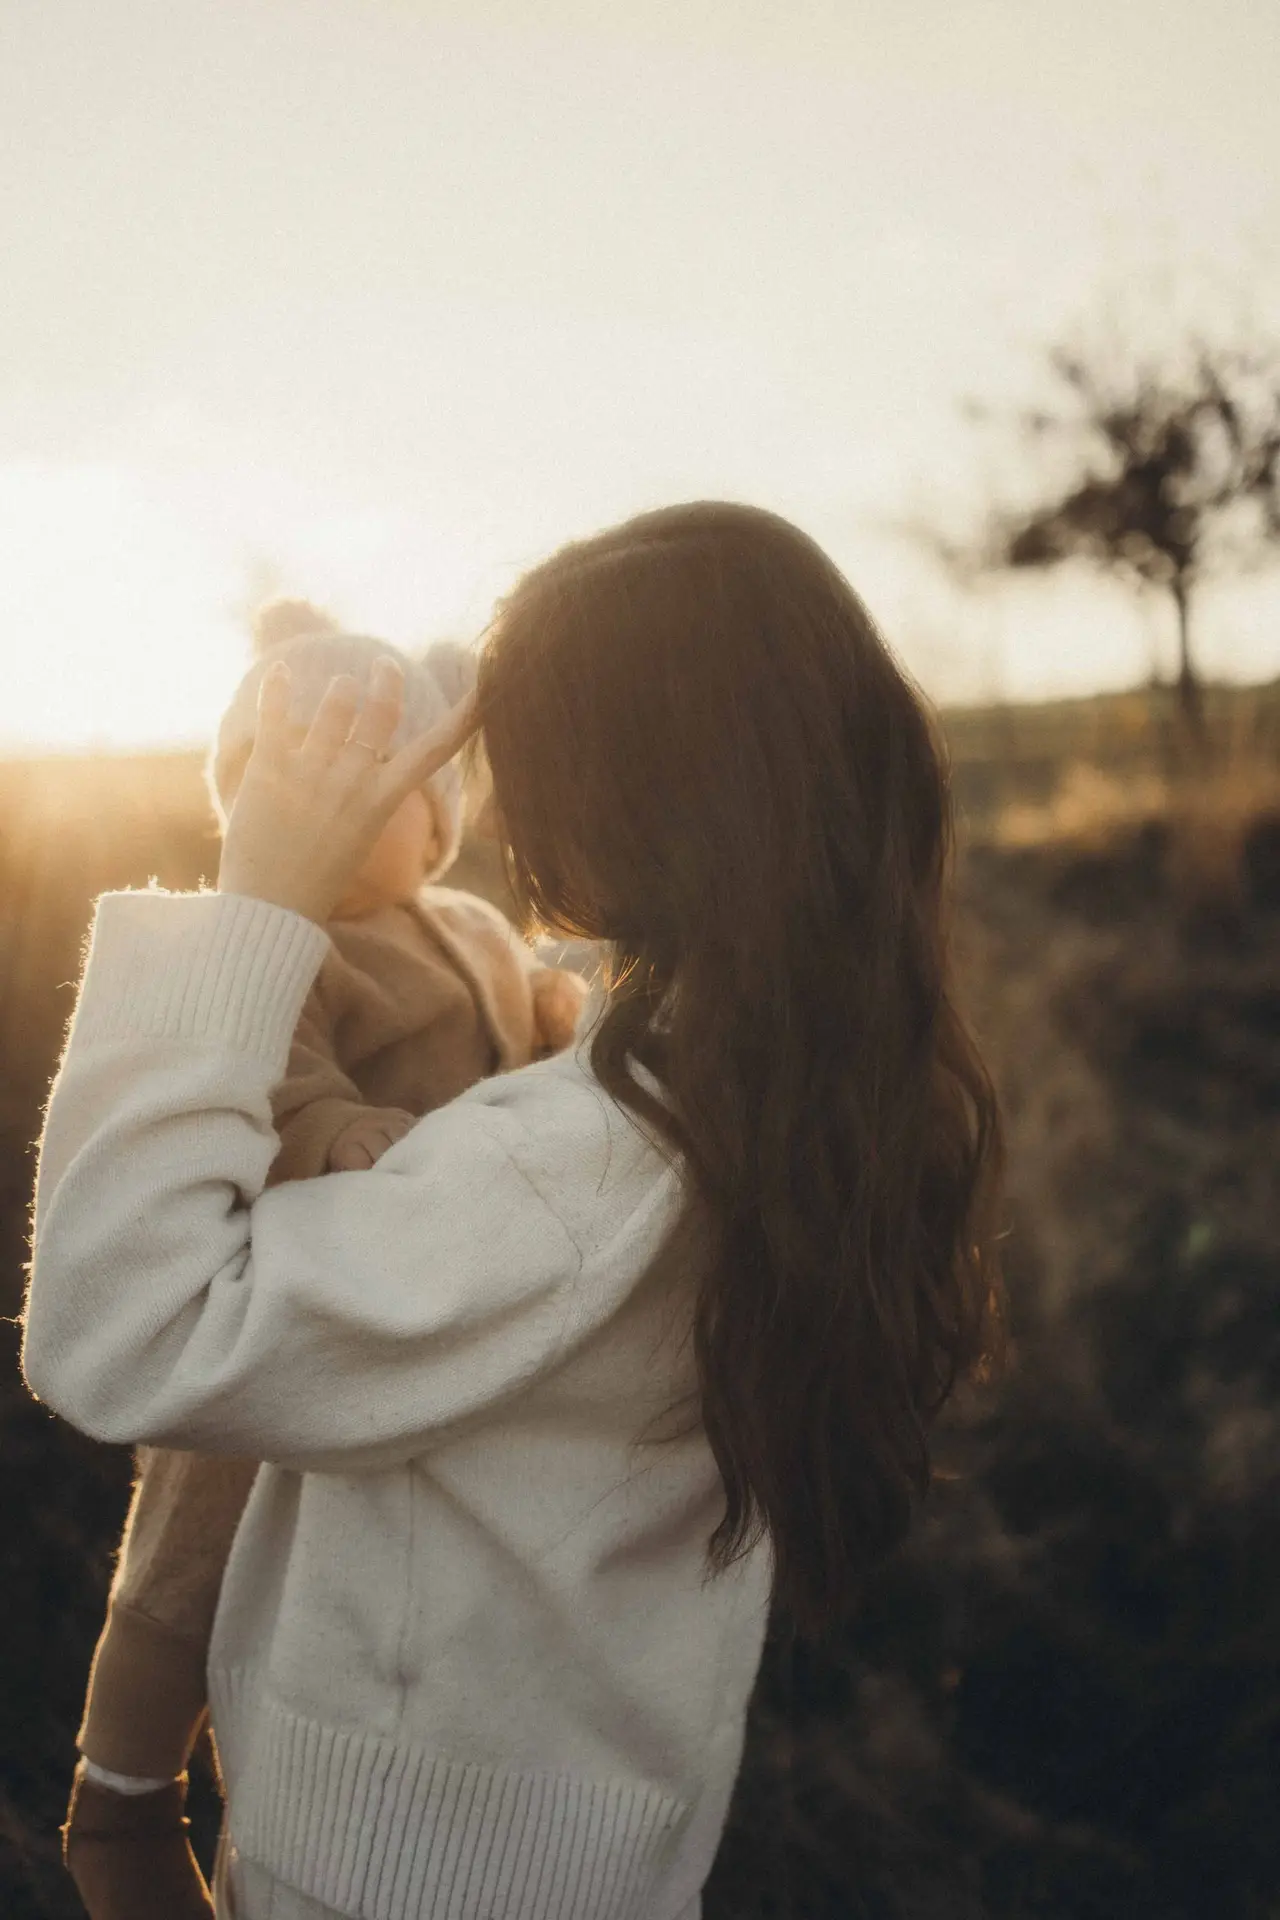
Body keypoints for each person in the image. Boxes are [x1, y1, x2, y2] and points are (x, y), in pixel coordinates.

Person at [24, 501, 1006, 1920]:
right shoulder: (785, 1084)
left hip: (398, 1879)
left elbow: (122, 1327)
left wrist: (260, 894)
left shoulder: (573, 1169)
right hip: (574, 1851)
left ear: (617, 796)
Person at [60, 598, 588, 1920]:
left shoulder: (468, 929)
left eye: (388, 793)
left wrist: (563, 1017)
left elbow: (528, 1013)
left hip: (444, 1273)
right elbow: (269, 1083)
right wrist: (342, 1127)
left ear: (440, 814)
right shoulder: (293, 957)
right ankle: (123, 1772)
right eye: (298, 794)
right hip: (296, 1280)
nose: (356, 822)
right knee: (196, 1524)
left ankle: (305, 1755)